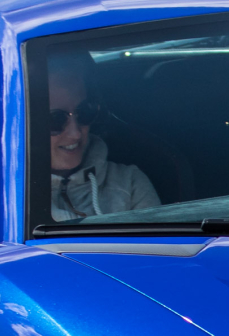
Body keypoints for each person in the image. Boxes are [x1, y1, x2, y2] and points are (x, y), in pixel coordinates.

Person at [46, 56, 159, 221]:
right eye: (55, 119)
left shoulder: (129, 182)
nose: (75, 133)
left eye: (85, 111)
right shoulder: (5, 195)